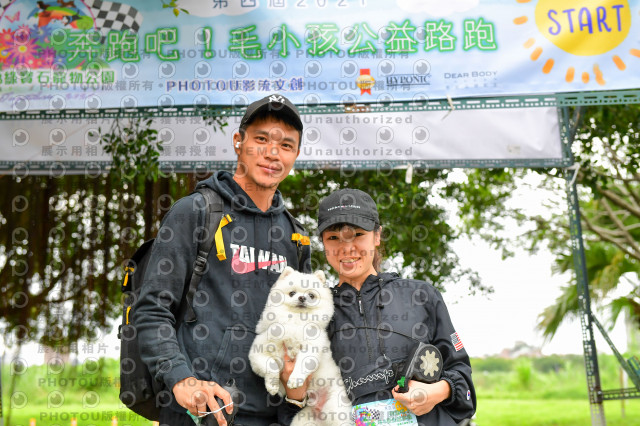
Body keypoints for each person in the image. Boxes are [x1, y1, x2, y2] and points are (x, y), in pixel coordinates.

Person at [133, 94, 311, 426]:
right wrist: (182, 380)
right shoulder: (197, 212)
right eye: (261, 139)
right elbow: (152, 307)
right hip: (202, 413)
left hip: (274, 417)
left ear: (296, 155)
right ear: (238, 142)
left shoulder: (295, 238)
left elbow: (303, 330)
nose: (273, 153)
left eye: (286, 145)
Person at [316, 188, 476, 425]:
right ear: (323, 243)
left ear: (377, 236)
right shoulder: (314, 309)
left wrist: (439, 391)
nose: (346, 248)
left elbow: (463, 381)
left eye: (358, 234)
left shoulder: (422, 296)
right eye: (333, 238)